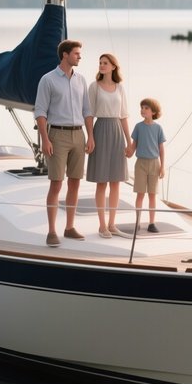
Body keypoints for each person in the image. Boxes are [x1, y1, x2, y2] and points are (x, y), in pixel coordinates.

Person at [34, 40, 95, 247]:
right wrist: (45, 139)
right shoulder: (48, 80)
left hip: (79, 135)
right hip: (57, 136)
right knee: (56, 183)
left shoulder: (81, 80)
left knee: (75, 182)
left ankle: (69, 228)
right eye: (76, 53)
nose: (80, 57)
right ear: (65, 55)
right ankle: (52, 231)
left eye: (79, 53)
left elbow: (87, 110)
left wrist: (90, 136)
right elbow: (40, 112)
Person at [86, 53, 132, 237]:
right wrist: (90, 137)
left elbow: (124, 116)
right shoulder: (94, 87)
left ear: (113, 66)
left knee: (116, 181)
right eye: (100, 63)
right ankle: (102, 225)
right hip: (100, 130)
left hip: (117, 132)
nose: (102, 65)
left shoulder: (120, 88)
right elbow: (89, 114)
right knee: (101, 181)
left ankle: (112, 224)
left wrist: (129, 142)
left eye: (105, 63)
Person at [127, 98, 166, 232]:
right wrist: (127, 153)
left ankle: (151, 223)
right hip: (141, 164)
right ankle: (137, 222)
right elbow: (133, 146)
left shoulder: (158, 128)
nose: (142, 110)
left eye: (146, 108)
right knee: (140, 194)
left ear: (153, 112)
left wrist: (162, 166)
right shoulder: (138, 127)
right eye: (142, 107)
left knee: (152, 195)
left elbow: (161, 149)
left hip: (154, 164)